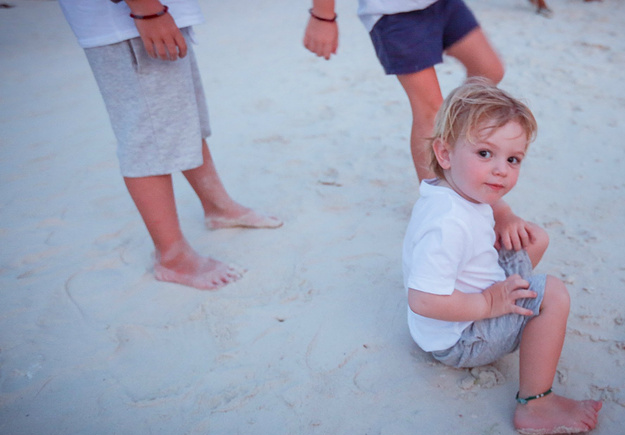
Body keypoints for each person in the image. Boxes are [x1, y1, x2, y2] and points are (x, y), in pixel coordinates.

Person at [402, 78, 602, 435]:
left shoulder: (452, 186)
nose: (501, 170)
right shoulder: (446, 224)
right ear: (445, 153)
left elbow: (489, 203)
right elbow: (423, 300)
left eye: (513, 159)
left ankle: (511, 303)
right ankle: (536, 404)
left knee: (533, 238)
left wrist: (505, 215)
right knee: (552, 294)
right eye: (485, 154)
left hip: (469, 296)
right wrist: (487, 304)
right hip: (460, 336)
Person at [57, 0, 282, 290]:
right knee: (148, 138)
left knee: (181, 121)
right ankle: (173, 257)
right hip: (131, 21)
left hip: (155, 15)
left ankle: (218, 207)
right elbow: (144, 143)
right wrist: (146, 9)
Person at [304, 0, 540, 255]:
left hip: (441, 4)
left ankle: (464, 157)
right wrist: (323, 16)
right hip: (394, 14)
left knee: (489, 70)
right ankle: (440, 203)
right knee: (431, 111)